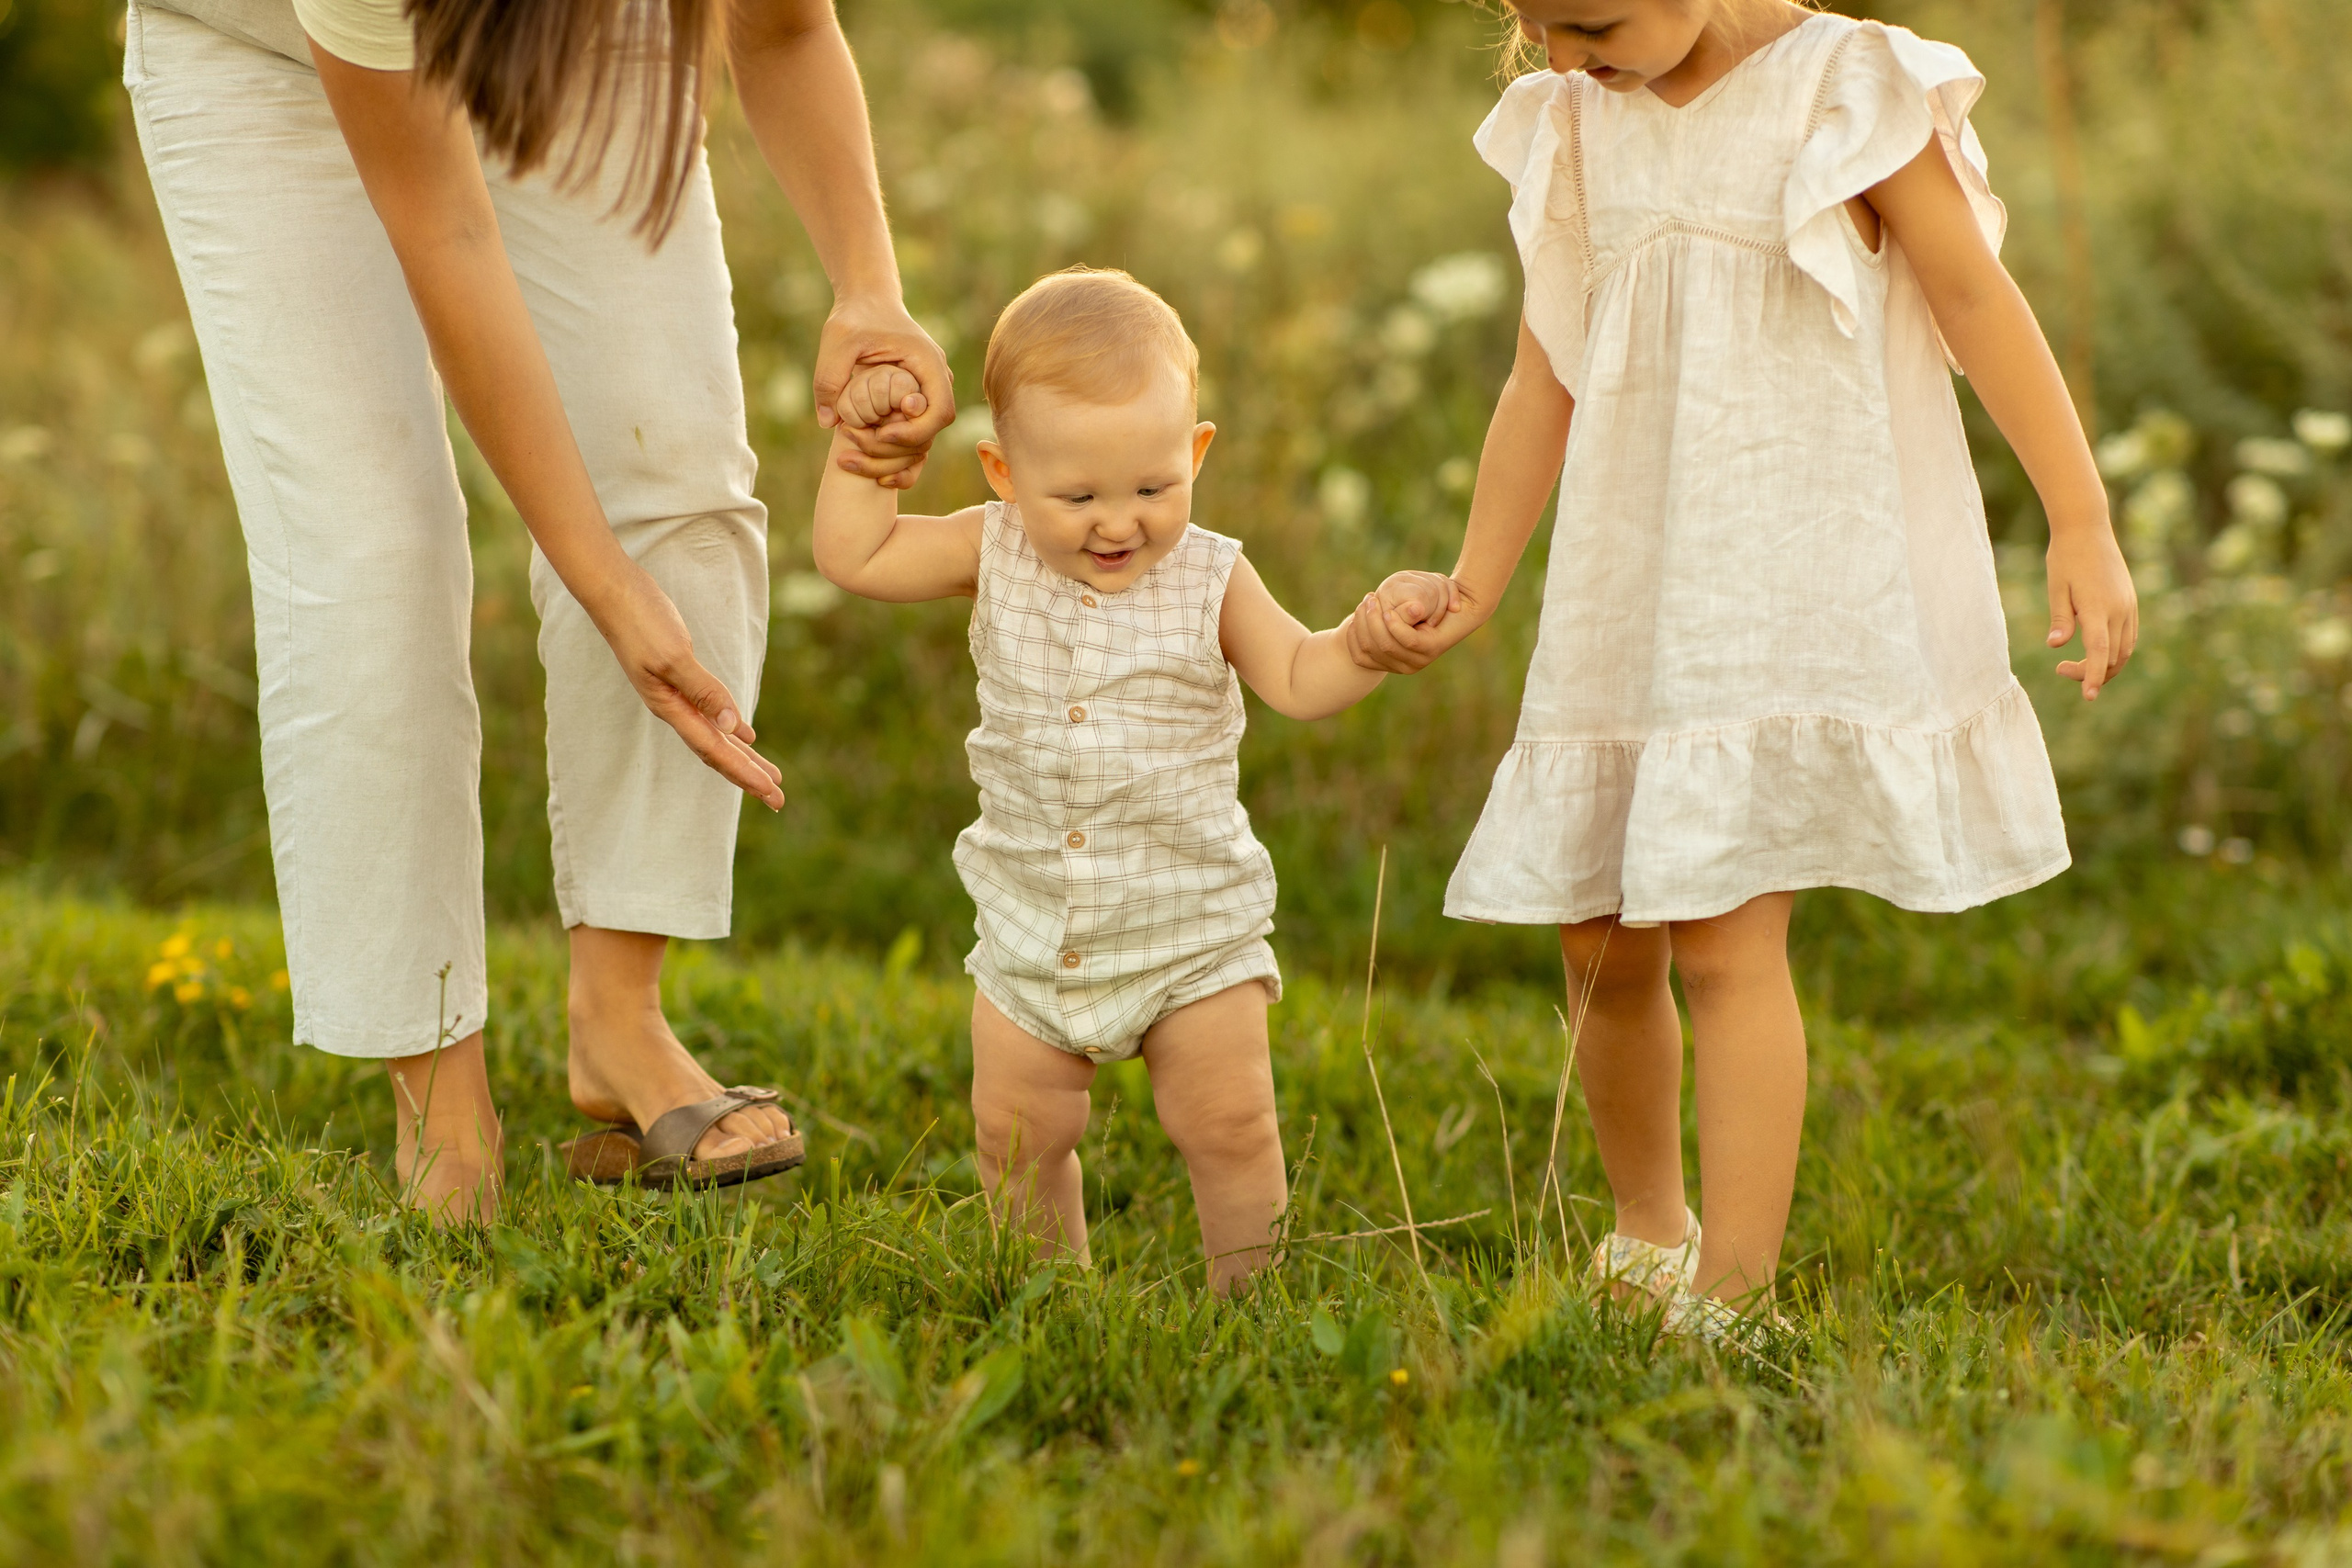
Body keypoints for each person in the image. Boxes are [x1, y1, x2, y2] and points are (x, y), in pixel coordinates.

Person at [1345, 0, 2136, 1337]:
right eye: (1536, 25)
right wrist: (1478, 575)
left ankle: (1735, 1291)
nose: (1559, 56)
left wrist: (2082, 513)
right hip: (1628, 586)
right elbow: (1547, 374)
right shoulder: (1582, 128)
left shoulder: (1845, 86)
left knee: (1722, 934)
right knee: (1596, 933)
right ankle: (1651, 1228)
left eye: (1587, 21)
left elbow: (1970, 294)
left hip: (1776, 584)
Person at [122, 0, 953, 1220]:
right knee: (374, 551)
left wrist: (869, 289)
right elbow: (447, 235)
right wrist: (604, 586)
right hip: (258, 46)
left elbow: (780, 31)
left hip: (570, 35)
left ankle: (618, 1022)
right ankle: (441, 1105)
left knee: (676, 474)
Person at [810, 269, 1443, 1292]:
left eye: (1153, 488)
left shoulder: (1212, 574)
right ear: (1004, 471)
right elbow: (856, 553)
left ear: (1194, 453)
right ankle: (1049, 1298)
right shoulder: (992, 545)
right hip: (1030, 919)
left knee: (1228, 1124)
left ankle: (1254, 1302)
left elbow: (1294, 675)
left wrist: (1364, 644)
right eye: (1078, 496)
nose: (1118, 524)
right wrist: (867, 454)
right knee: (1017, 1135)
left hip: (1189, 921)